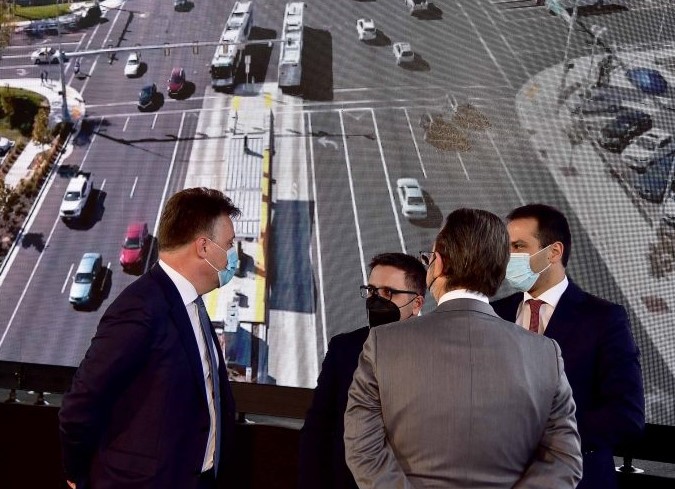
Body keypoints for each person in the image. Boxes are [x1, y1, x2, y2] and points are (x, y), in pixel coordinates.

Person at [344, 208, 583, 488]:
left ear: (439, 265)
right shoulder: (545, 354)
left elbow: (363, 449)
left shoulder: (382, 344)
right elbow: (564, 459)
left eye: (429, 258)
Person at [59, 188, 241, 489]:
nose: (234, 254)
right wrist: (78, 475)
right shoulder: (140, 307)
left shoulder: (191, 303)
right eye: (230, 244)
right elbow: (81, 403)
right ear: (203, 247)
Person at [491, 203, 645, 489]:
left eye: (519, 246)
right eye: (505, 248)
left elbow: (626, 414)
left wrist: (545, 437)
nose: (507, 257)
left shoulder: (603, 319)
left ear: (554, 252)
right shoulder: (494, 313)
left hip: (578, 479)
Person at [298, 253, 426, 489]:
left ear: (416, 304)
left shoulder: (433, 356)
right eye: (372, 291)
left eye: (389, 292)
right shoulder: (343, 349)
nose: (376, 300)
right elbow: (317, 428)